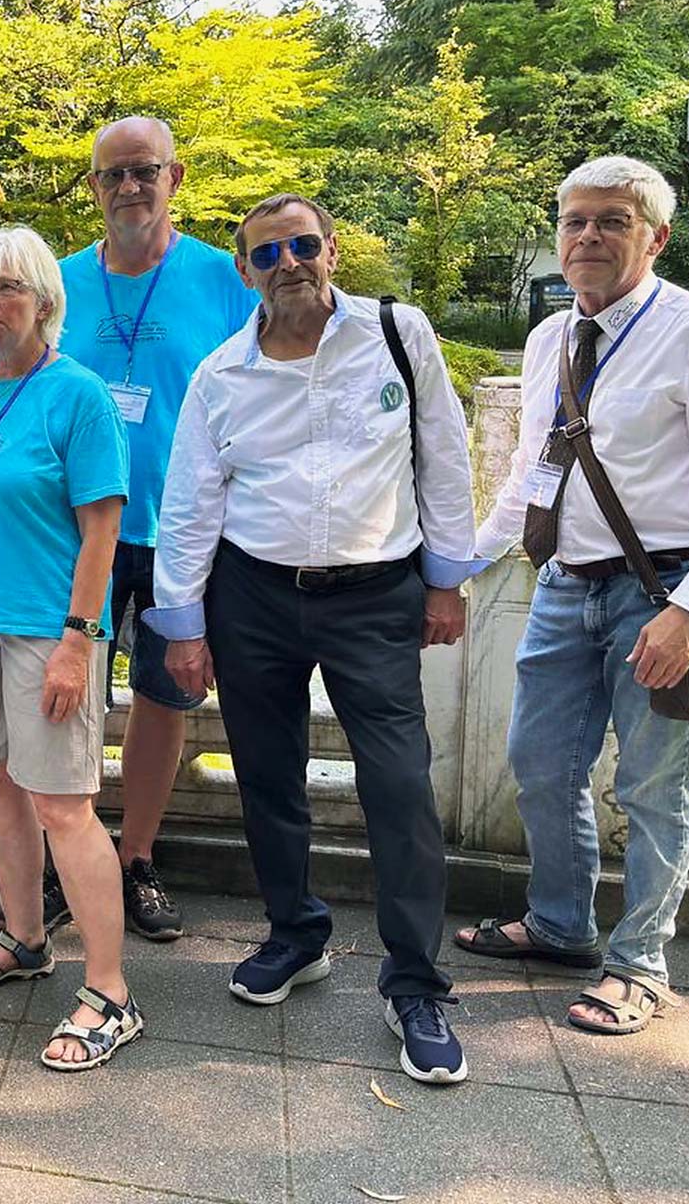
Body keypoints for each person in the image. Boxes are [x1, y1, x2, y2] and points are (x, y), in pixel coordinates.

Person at [147, 193, 476, 1086]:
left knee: (400, 784)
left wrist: (447, 578)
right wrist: (182, 624)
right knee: (267, 774)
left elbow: (443, 455)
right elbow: (189, 504)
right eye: (265, 253)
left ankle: (414, 982)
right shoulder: (222, 374)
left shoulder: (398, 336)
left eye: (301, 245)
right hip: (253, 594)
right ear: (245, 268)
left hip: (376, 594)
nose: (287, 262)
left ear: (332, 249)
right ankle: (296, 932)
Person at [459, 156, 689, 1035]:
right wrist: (458, 564)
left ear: (655, 237)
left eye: (611, 222)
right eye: (575, 221)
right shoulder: (553, 336)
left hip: (660, 592)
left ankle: (642, 961)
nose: (587, 236)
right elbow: (532, 472)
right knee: (541, 764)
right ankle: (559, 924)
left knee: (659, 786)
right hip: (563, 584)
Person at [0, 227, 139, 1072]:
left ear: (45, 299)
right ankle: (23, 936)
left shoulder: (77, 394)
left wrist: (78, 645)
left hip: (47, 630)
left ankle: (112, 992)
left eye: (6, 288)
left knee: (62, 803)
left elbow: (104, 529)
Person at [52, 117, 259, 941]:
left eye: (145, 171)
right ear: (95, 187)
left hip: (183, 534)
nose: (129, 187)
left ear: (175, 177)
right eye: (113, 175)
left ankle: (135, 859)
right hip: (71, 533)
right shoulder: (60, 282)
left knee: (162, 696)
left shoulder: (224, 277)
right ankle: (74, 858)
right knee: (63, 696)